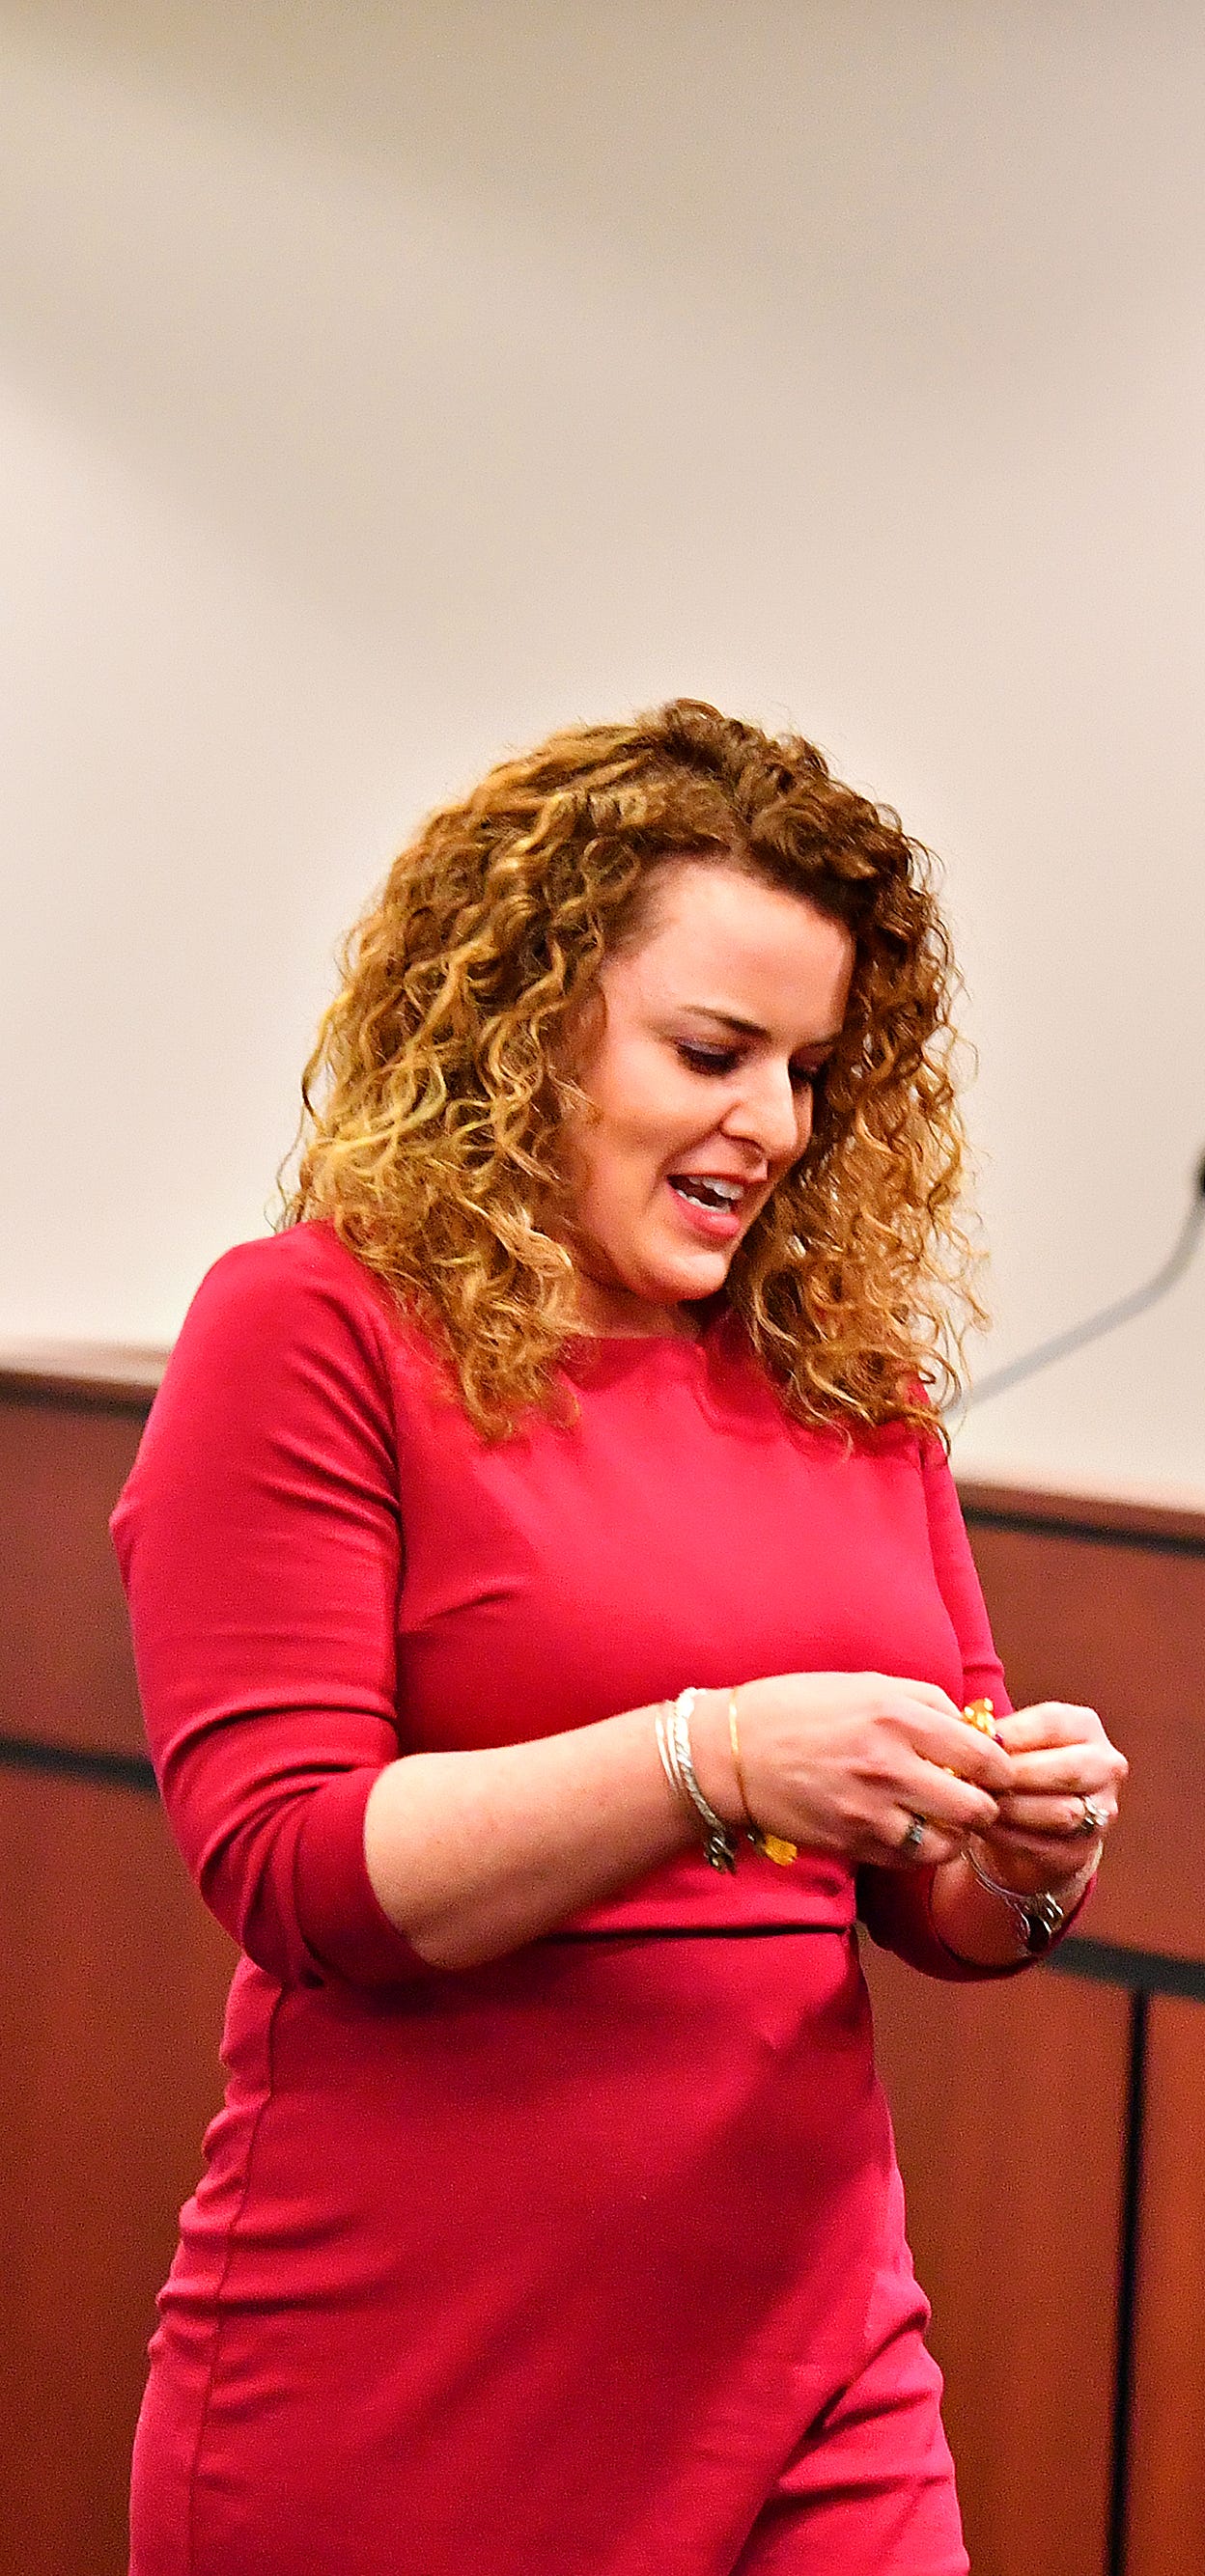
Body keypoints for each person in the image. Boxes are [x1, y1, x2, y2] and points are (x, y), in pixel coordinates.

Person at [113, 701, 1128, 2575]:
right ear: (525, 1025)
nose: (774, 1123)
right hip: (414, 2381)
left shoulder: (850, 1381)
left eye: (811, 1068)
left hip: (817, 2348)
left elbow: (938, 1905)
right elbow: (287, 1867)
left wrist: (1027, 1856)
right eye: (713, 1049)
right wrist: (716, 1761)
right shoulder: (310, 1331)